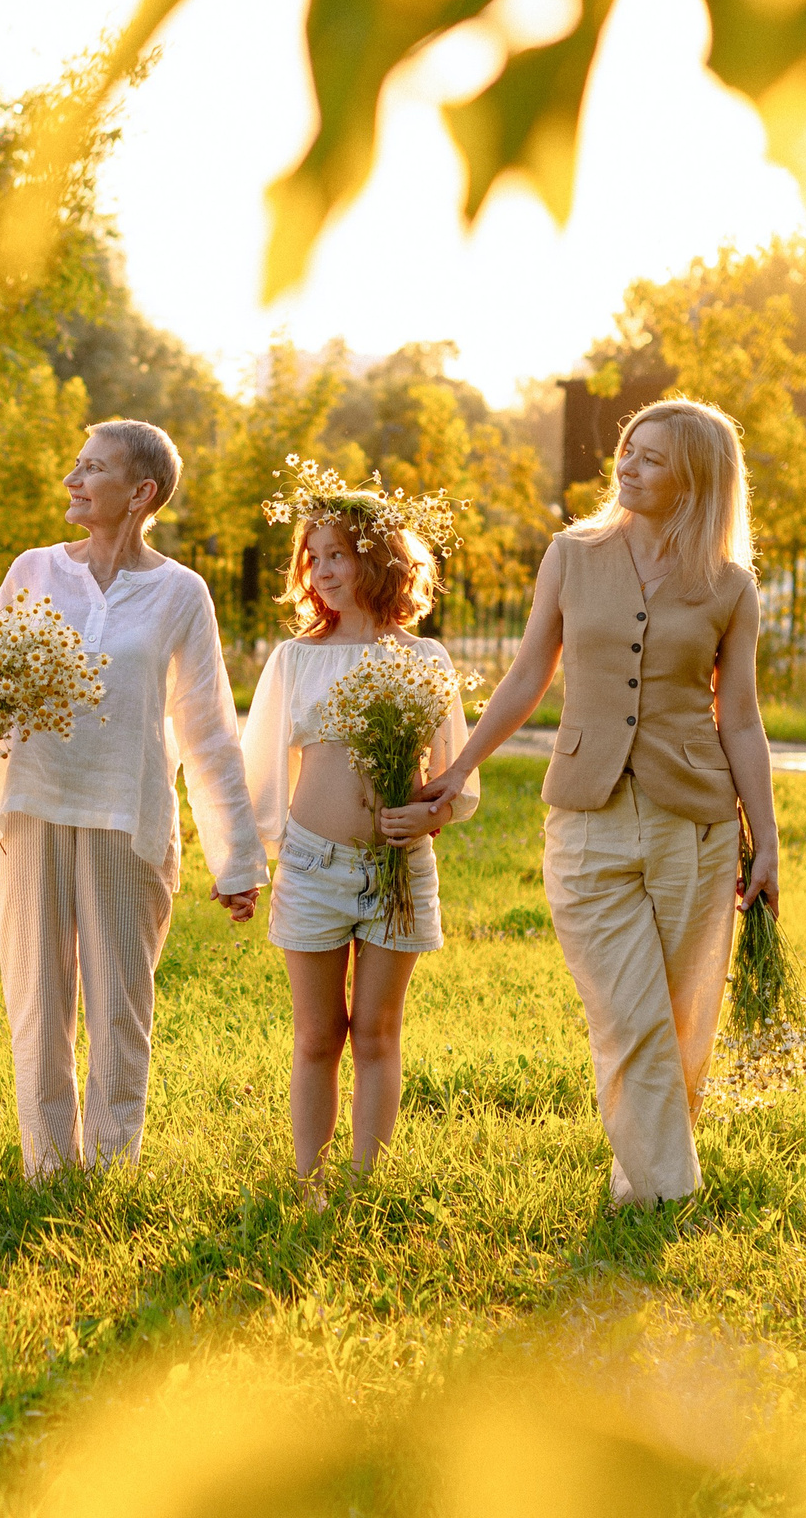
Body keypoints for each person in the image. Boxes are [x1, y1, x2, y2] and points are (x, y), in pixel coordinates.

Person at [417, 398, 780, 1208]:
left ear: (697, 475)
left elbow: (742, 718)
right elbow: (526, 676)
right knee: (630, 1015)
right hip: (586, 815)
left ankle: (640, 1189)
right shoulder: (572, 554)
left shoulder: (728, 583)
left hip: (698, 822)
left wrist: (768, 840)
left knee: (683, 1025)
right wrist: (460, 766)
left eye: (652, 456)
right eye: (627, 448)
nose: (628, 464)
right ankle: (670, 1201)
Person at [0, 420, 266, 1177]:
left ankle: (111, 1169)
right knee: (37, 998)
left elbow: (209, 727)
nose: (72, 479)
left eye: (93, 468)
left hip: (127, 814)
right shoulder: (36, 569)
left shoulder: (181, 593)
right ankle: (48, 1169)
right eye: (76, 464)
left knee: (121, 1005)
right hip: (31, 808)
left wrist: (238, 857)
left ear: (141, 492)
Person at [241, 468, 477, 1186]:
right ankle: (310, 1181)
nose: (322, 569)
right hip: (313, 864)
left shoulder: (423, 658)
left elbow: (454, 779)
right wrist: (251, 862)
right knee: (319, 1033)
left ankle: (363, 1180)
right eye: (313, 556)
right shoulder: (295, 659)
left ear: (378, 557)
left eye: (337, 552)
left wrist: (429, 813)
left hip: (398, 869)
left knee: (376, 1030)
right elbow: (260, 771)